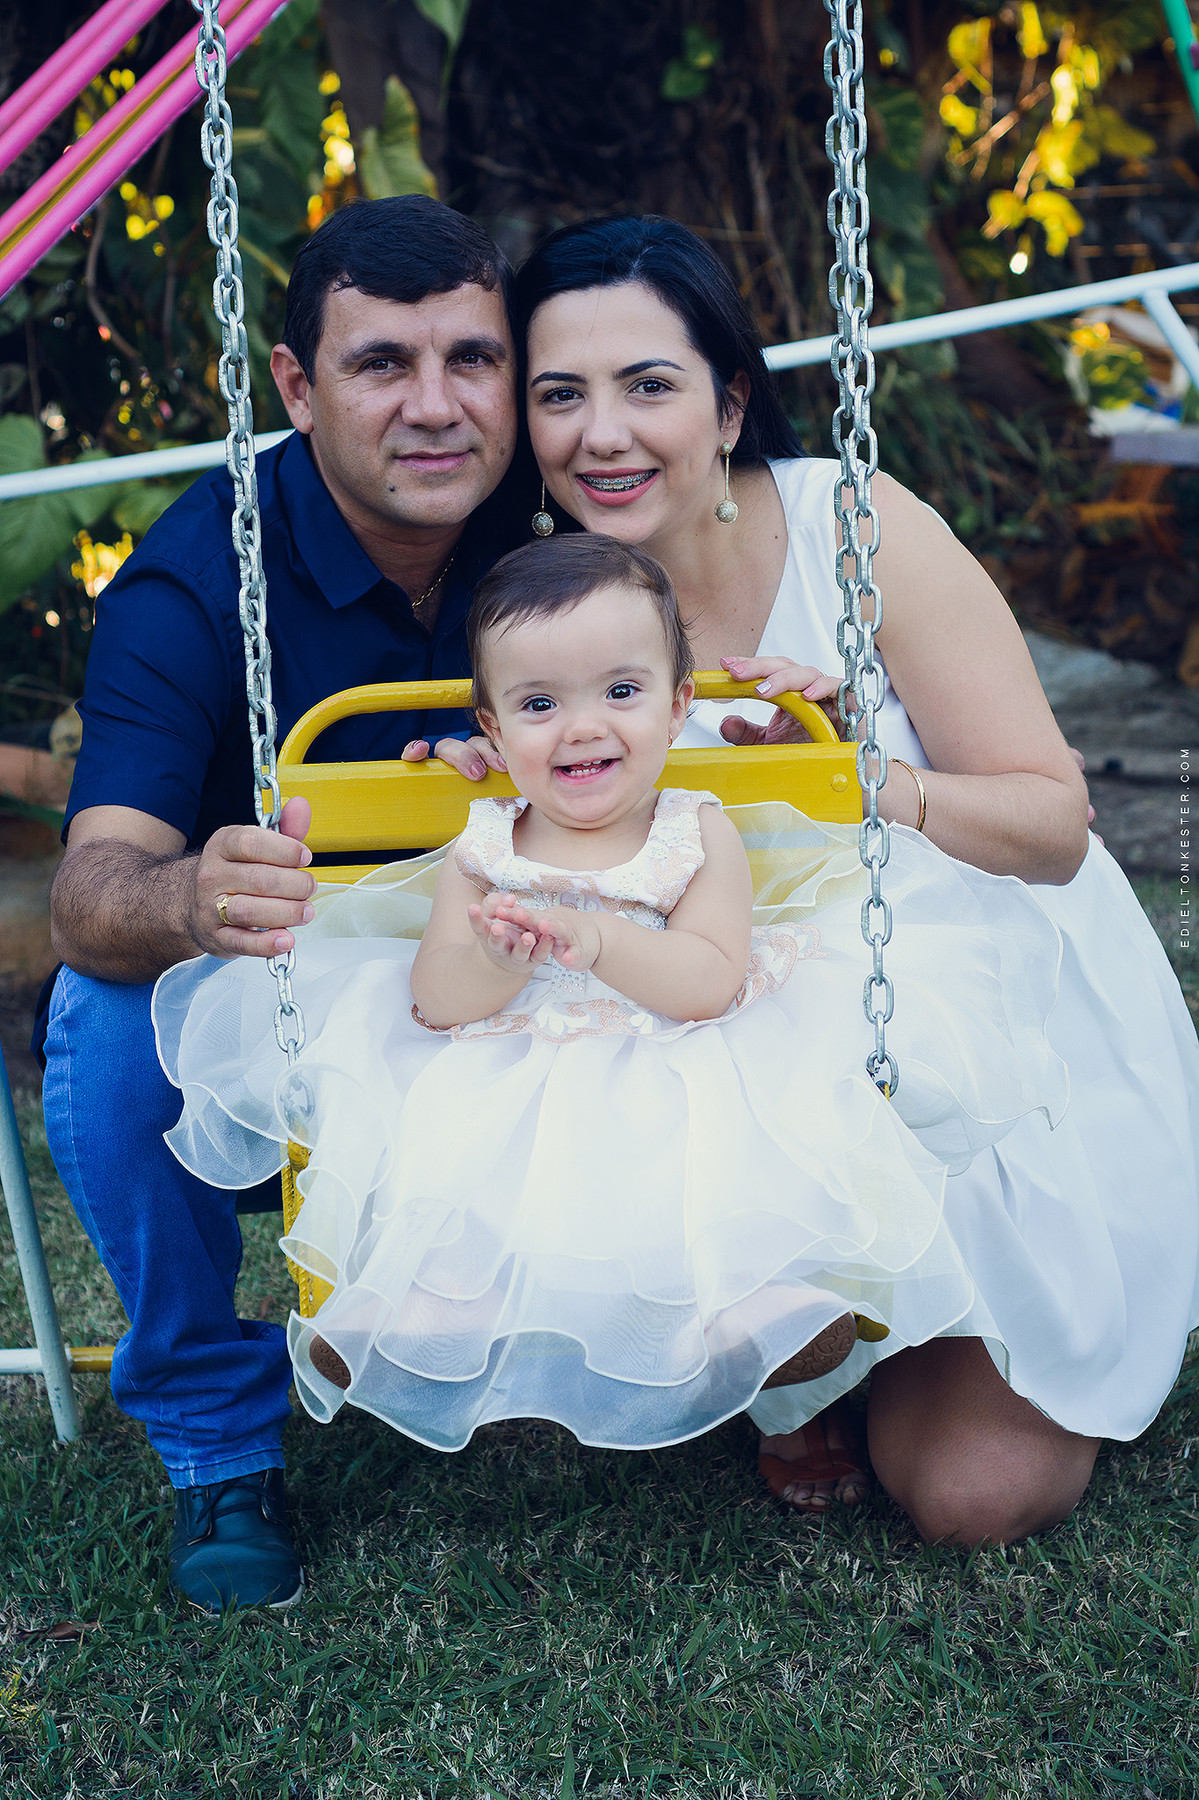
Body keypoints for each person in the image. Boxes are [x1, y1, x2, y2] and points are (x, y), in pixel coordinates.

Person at [510, 213, 1199, 1542]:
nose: (600, 434)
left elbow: (1051, 824)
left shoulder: (854, 525)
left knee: (971, 1495)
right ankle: (792, 1342)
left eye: (646, 385)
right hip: (720, 1026)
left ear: (726, 403)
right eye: (558, 394)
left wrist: (849, 777)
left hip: (960, 1026)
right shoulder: (541, 597)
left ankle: (873, 1330)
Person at [153, 534, 1067, 1459]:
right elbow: (435, 998)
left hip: (681, 1052)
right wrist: (498, 960)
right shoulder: (485, 845)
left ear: (676, 710)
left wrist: (599, 940)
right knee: (463, 1167)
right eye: (540, 703)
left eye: (620, 693)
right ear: (495, 730)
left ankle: (751, 1312)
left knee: (705, 1173)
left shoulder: (697, 833)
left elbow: (710, 980)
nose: (583, 726)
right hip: (508, 1058)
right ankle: (426, 1310)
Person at [41, 194, 521, 1612]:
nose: (436, 408)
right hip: (288, 1004)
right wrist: (193, 893)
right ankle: (217, 1442)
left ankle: (725, 1348)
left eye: (472, 360)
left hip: (517, 960)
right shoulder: (191, 582)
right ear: (297, 386)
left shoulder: (561, 512)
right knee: (110, 1024)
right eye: (382, 364)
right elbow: (88, 896)